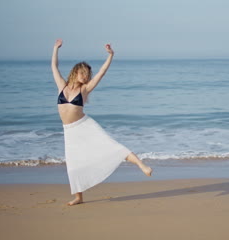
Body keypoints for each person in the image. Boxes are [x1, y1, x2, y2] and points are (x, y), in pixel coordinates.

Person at [51, 39, 153, 206]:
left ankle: (142, 166)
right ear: (75, 72)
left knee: (111, 145)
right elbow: (54, 67)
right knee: (73, 163)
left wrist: (111, 55)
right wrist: (56, 49)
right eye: (83, 73)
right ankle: (79, 197)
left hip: (85, 125)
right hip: (69, 130)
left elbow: (102, 72)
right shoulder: (62, 86)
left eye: (88, 74)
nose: (86, 76)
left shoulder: (85, 89)